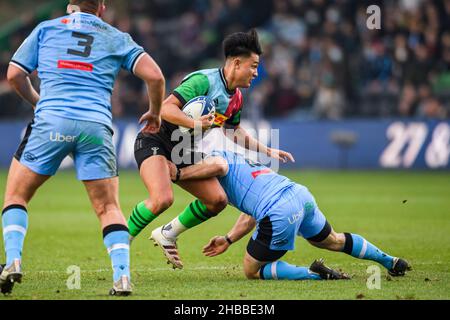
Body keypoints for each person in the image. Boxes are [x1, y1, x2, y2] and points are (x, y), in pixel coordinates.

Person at [0, 0, 165, 296]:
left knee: (16, 195)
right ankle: (122, 277)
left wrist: (39, 102)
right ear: (101, 7)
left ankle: (12, 260)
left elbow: (14, 74)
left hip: (51, 122)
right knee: (109, 208)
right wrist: (155, 113)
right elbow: (155, 76)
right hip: (95, 128)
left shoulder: (45, 29)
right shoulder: (115, 36)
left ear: (69, 6)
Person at [130, 29, 294, 269]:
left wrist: (267, 151)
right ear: (237, 63)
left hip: (184, 149)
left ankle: (168, 233)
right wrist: (196, 123)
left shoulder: (236, 98)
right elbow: (166, 109)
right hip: (155, 139)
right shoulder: (203, 81)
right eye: (254, 66)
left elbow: (233, 131)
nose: (256, 73)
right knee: (162, 199)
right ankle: (121, 239)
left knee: (217, 200)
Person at [162, 150, 411, 280]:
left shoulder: (212, 158)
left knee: (251, 269)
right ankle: (391, 261)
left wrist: (181, 175)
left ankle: (314, 274)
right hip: (300, 195)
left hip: (278, 211)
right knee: (333, 240)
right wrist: (228, 240)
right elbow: (251, 215)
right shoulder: (241, 161)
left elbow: (218, 166)